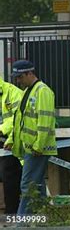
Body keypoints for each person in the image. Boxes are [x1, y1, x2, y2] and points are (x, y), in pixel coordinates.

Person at [4, 60, 56, 215]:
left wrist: (38, 146)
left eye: (20, 77)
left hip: (37, 149)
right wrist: (13, 140)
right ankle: (44, 219)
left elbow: (45, 121)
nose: (18, 81)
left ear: (30, 73)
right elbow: (20, 121)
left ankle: (23, 222)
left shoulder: (42, 91)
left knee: (27, 185)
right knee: (36, 188)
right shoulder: (28, 91)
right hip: (30, 148)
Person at [0, 77, 23, 214]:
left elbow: (16, 120)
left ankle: (12, 213)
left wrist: (2, 130)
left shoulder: (13, 93)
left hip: (10, 140)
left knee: (10, 177)